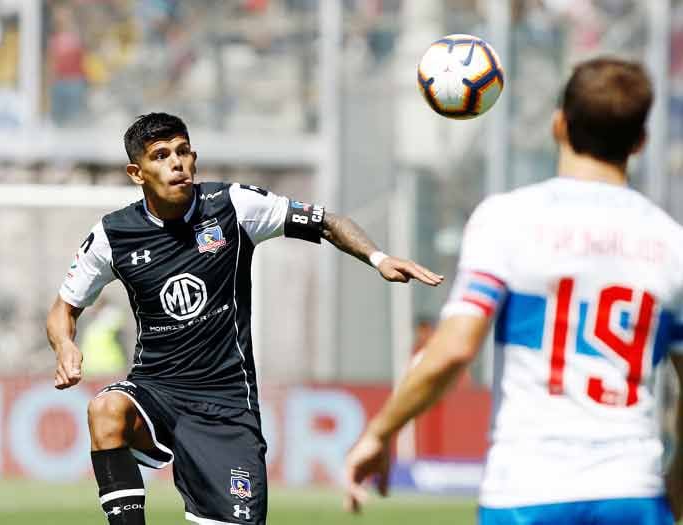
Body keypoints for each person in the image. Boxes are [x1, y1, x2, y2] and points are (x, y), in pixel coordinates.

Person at [46, 112, 443, 525]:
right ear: (137, 172)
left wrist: (378, 258)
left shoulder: (233, 206)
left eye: (183, 152)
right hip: (157, 391)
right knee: (106, 409)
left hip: (226, 406)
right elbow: (62, 310)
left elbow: (327, 222)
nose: (177, 163)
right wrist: (65, 344)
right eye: (161, 156)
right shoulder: (114, 234)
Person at [345, 57, 683, 525]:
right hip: (631, 488)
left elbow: (454, 349)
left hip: (528, 486)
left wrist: (381, 433)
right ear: (641, 142)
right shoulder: (672, 244)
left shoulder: (509, 219)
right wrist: (678, 482)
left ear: (559, 125)